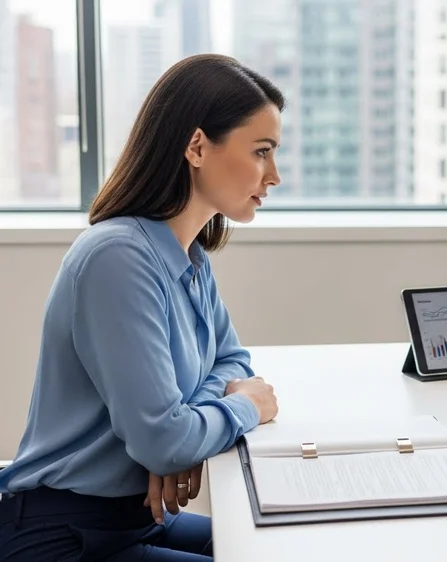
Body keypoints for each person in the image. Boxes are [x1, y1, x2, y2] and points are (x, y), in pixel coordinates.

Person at [0, 54, 282, 561]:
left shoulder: (188, 257)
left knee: (284, 546)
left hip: (139, 518)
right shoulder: (118, 258)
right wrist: (245, 406)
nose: (275, 175)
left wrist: (185, 428)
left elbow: (233, 362)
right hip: (64, 536)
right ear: (197, 146)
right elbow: (167, 439)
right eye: (261, 151)